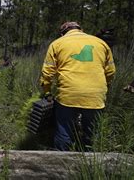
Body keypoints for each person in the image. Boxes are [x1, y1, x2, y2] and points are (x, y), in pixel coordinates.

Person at [40, 22, 115, 151]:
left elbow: (47, 73)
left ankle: (60, 163)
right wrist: (104, 87)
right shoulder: (101, 43)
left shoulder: (57, 43)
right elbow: (111, 72)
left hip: (68, 95)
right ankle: (89, 164)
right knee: (91, 133)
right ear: (81, 30)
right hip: (96, 95)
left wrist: (47, 92)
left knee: (64, 132)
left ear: (63, 33)